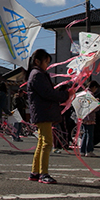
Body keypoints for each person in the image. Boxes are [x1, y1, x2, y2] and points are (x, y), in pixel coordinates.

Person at [27, 49, 73, 184]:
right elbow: (48, 94)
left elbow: (48, 92)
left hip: (41, 112)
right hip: (43, 112)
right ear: (37, 61)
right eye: (46, 62)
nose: (47, 65)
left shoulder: (36, 74)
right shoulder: (37, 75)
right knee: (47, 142)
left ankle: (35, 172)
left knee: (42, 142)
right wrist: (66, 95)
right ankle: (43, 174)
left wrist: (63, 93)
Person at [80, 81, 100, 157]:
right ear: (94, 87)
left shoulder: (84, 92)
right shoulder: (91, 94)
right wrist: (98, 103)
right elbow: (93, 107)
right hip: (90, 117)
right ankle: (89, 150)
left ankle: (82, 150)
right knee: (89, 134)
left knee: (85, 133)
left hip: (83, 115)